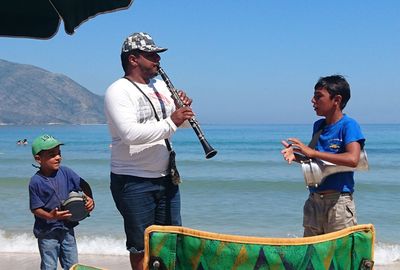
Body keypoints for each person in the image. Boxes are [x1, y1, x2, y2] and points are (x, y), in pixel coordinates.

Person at [104, 32, 194, 270]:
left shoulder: (161, 87)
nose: (157, 59)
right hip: (133, 181)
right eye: (151, 54)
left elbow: (177, 126)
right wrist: (172, 121)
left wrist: (180, 111)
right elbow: (130, 135)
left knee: (171, 242)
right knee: (140, 246)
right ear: (133, 59)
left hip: (166, 179)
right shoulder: (118, 91)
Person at [280, 75, 365, 237]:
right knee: (313, 257)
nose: (313, 100)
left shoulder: (349, 125)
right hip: (314, 201)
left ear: (336, 100)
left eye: (318, 96)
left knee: (339, 258)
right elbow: (315, 161)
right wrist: (296, 155)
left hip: (338, 203)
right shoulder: (319, 126)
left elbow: (353, 159)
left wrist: (312, 152)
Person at [28, 134, 95, 270]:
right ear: (38, 159)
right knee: (49, 265)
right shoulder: (36, 182)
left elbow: (84, 184)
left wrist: (90, 199)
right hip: (47, 232)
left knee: (72, 265)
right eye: (52, 155)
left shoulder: (66, 172)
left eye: (59, 153)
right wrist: (50, 216)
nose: (58, 157)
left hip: (67, 228)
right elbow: (35, 208)